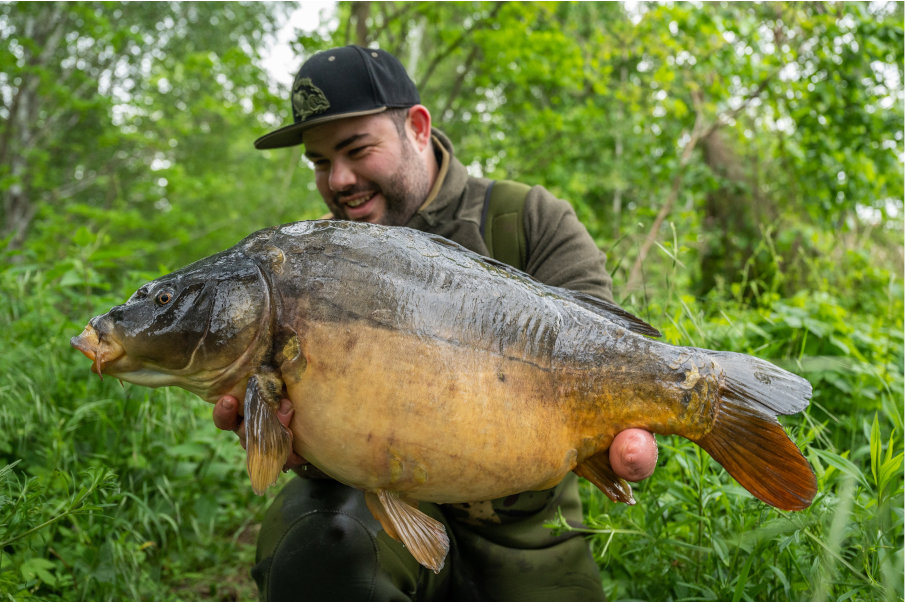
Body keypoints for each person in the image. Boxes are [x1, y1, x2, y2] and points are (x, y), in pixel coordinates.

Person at [213, 45, 658, 601]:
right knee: (320, 545)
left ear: (418, 128)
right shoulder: (307, 268)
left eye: (356, 149)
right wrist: (294, 442)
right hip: (376, 516)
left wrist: (635, 412)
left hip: (527, 529)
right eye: (321, 162)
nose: (340, 179)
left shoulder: (530, 219)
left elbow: (604, 354)